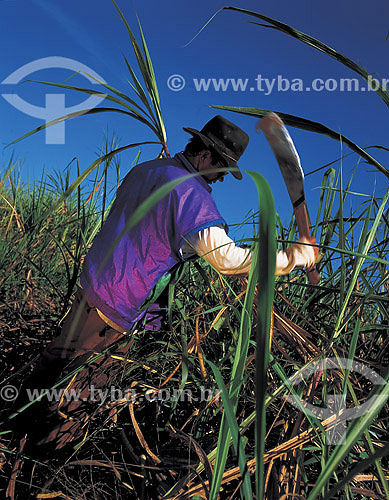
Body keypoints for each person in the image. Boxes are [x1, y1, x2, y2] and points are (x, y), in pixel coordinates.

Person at [10, 115, 317, 450]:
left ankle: (11, 425)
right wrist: (291, 259)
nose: (221, 179)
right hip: (120, 306)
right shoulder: (192, 195)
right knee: (80, 393)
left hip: (92, 284)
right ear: (204, 157)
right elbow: (227, 260)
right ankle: (36, 466)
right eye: (221, 168)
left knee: (54, 360)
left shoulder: (148, 169)